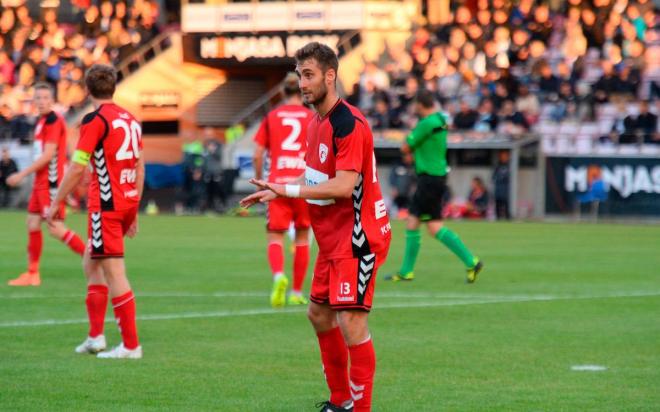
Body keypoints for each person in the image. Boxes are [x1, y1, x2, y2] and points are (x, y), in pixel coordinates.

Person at [241, 42, 391, 412]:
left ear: (330, 75)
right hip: (331, 239)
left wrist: (286, 189)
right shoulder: (316, 123)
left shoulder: (348, 123)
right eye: (299, 75)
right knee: (319, 314)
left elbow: (343, 186)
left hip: (358, 236)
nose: (302, 83)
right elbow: (315, 178)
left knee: (351, 323)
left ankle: (360, 408)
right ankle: (340, 401)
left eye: (308, 75)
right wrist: (277, 192)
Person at [46, 64, 144, 359]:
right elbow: (140, 166)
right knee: (91, 263)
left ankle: (130, 345)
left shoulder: (95, 120)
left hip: (107, 204)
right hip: (125, 200)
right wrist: (135, 208)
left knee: (115, 273)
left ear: (87, 90)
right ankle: (95, 337)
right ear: (113, 87)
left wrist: (55, 202)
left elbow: (78, 166)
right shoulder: (130, 118)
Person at [385, 89, 483, 283]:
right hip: (436, 178)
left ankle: (469, 261)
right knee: (425, 225)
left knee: (424, 225)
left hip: (428, 179)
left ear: (420, 105)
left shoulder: (425, 123)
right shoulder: (440, 120)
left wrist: (406, 138)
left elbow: (405, 147)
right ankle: (469, 262)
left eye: (415, 104)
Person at [5, 83, 86, 286]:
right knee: (32, 223)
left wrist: (21, 174)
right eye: (37, 98)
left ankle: (94, 261)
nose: (40, 102)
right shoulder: (41, 121)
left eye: (44, 98)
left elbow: (49, 156)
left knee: (56, 227)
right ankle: (33, 274)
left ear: (52, 100)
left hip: (50, 183)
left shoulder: (53, 121)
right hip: (40, 183)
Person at [252, 72, 314, 307]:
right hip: (303, 184)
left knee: (275, 235)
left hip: (277, 183)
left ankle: (279, 275)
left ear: (282, 92)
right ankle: (297, 292)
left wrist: (260, 180)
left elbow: (257, 153)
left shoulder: (272, 116)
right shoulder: (311, 117)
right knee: (302, 237)